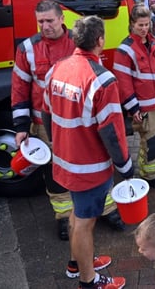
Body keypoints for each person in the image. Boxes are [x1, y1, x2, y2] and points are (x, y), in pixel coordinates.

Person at [11, 0, 124, 244]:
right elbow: (20, 87)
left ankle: (105, 208)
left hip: (84, 119)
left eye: (50, 20)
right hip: (47, 121)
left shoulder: (80, 40)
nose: (46, 26)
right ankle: (63, 215)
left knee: (97, 162)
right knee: (56, 170)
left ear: (62, 19)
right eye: (41, 21)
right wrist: (21, 127)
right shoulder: (28, 49)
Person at [43, 15, 134, 289]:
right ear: (100, 41)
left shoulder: (57, 69)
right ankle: (88, 280)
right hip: (89, 167)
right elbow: (112, 132)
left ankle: (77, 262)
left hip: (64, 160)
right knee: (85, 221)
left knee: (76, 212)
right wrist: (125, 167)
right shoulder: (102, 80)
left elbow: (46, 114)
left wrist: (57, 144)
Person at [113, 6, 155, 190]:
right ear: (132, 25)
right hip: (144, 106)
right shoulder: (125, 50)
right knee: (150, 141)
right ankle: (150, 175)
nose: (144, 28)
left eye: (147, 24)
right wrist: (133, 107)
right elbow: (123, 82)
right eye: (140, 25)